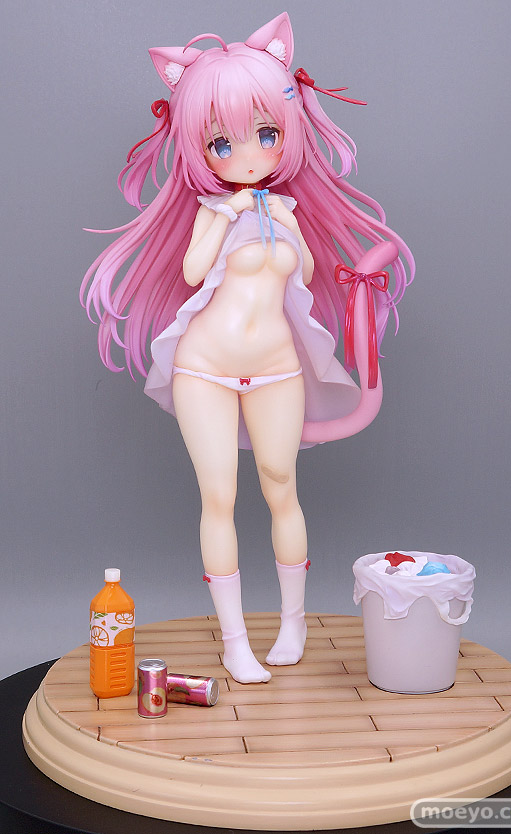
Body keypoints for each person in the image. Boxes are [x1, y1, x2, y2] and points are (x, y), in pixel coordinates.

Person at [81, 13, 414, 683]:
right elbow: (192, 272)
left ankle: (293, 623)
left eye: (267, 134)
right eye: (221, 143)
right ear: (199, 149)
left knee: (281, 485)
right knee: (219, 495)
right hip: (205, 367)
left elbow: (307, 276)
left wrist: (300, 240)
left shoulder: (286, 211)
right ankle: (235, 640)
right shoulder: (213, 212)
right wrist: (226, 216)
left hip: (275, 368)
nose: (250, 154)